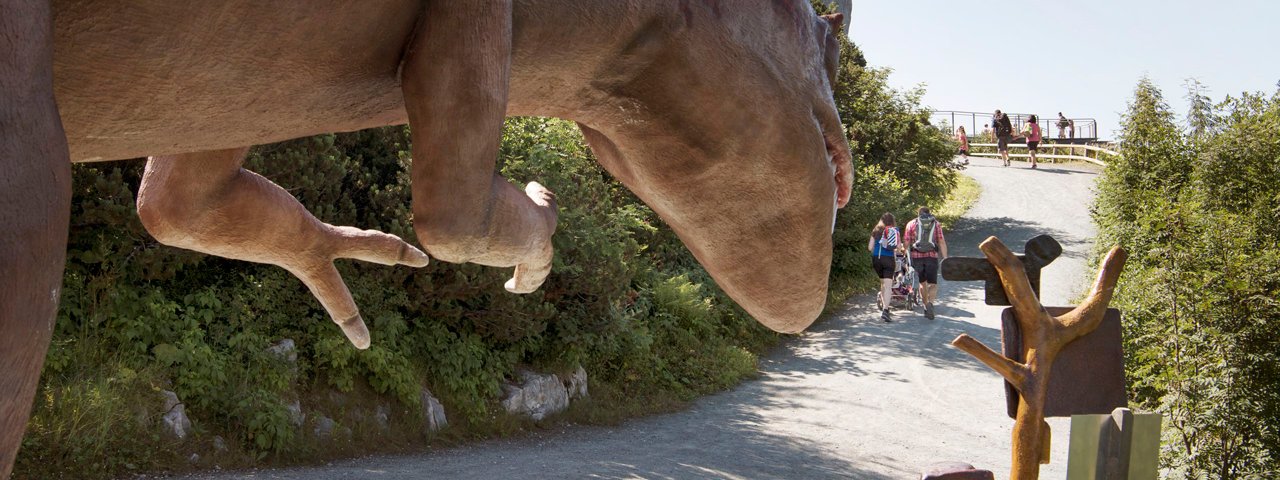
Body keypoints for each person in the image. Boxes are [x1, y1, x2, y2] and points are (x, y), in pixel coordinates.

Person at [902, 207, 947, 319]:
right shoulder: (936, 224)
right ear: (929, 213)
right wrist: (945, 258)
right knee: (933, 283)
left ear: (918, 214)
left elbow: (907, 241)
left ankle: (926, 306)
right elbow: (941, 241)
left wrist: (903, 251)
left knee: (922, 283)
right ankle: (931, 303)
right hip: (931, 256)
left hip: (916, 256)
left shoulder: (911, 224)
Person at [868, 212, 899, 322]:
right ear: (892, 221)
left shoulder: (876, 230)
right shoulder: (895, 230)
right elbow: (898, 247)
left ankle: (884, 307)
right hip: (888, 260)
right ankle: (885, 311)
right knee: (888, 286)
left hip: (877, 259)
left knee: (883, 284)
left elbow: (870, 247)